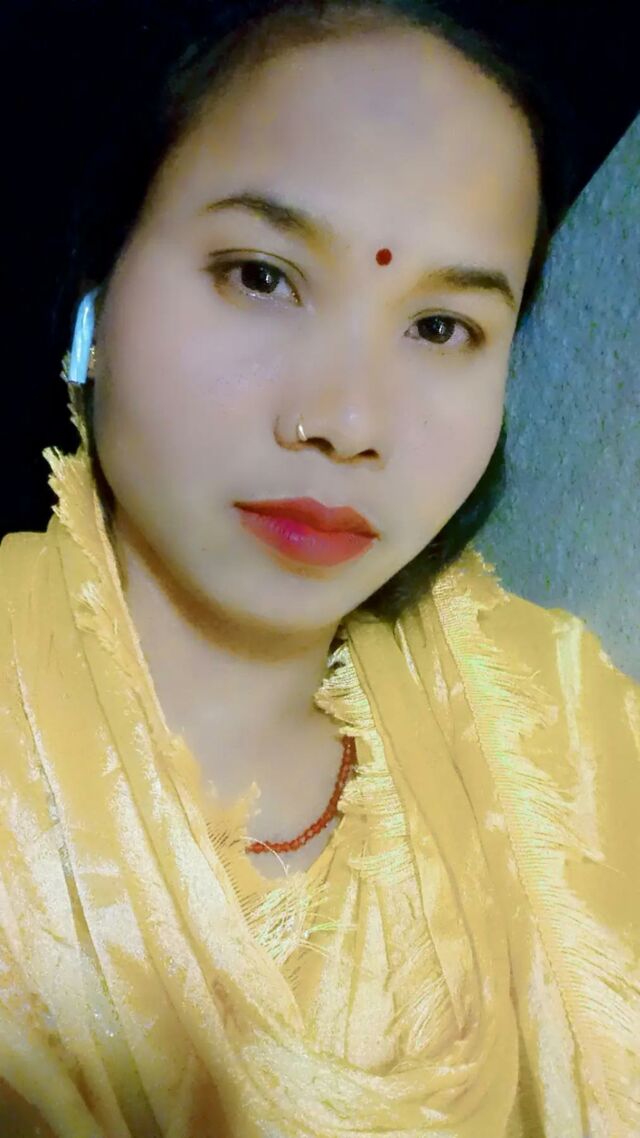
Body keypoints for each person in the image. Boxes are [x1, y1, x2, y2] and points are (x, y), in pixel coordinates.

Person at [0, 1, 638, 1135]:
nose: (346, 422)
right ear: (100, 282)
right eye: (260, 275)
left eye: (440, 328)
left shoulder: (572, 737)